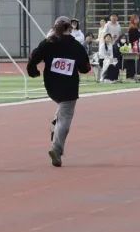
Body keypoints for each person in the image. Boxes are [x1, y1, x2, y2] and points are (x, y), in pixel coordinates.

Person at [27, 16, 92, 168]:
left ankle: (55, 124)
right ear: (70, 28)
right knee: (66, 118)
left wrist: (33, 71)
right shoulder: (76, 46)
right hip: (69, 87)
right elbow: (85, 67)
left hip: (51, 86)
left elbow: (33, 57)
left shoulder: (48, 43)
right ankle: (56, 149)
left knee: (62, 110)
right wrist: (83, 66)